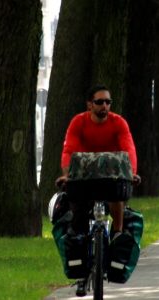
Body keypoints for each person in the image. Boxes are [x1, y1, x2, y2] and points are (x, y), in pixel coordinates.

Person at [56, 85, 140, 238]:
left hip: (112, 178)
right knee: (78, 212)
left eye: (108, 102)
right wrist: (68, 175)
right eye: (100, 102)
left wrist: (131, 173)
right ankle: (79, 236)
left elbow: (129, 151)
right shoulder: (78, 122)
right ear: (90, 104)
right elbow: (69, 151)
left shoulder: (119, 123)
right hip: (85, 179)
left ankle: (117, 233)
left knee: (117, 195)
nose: (105, 106)